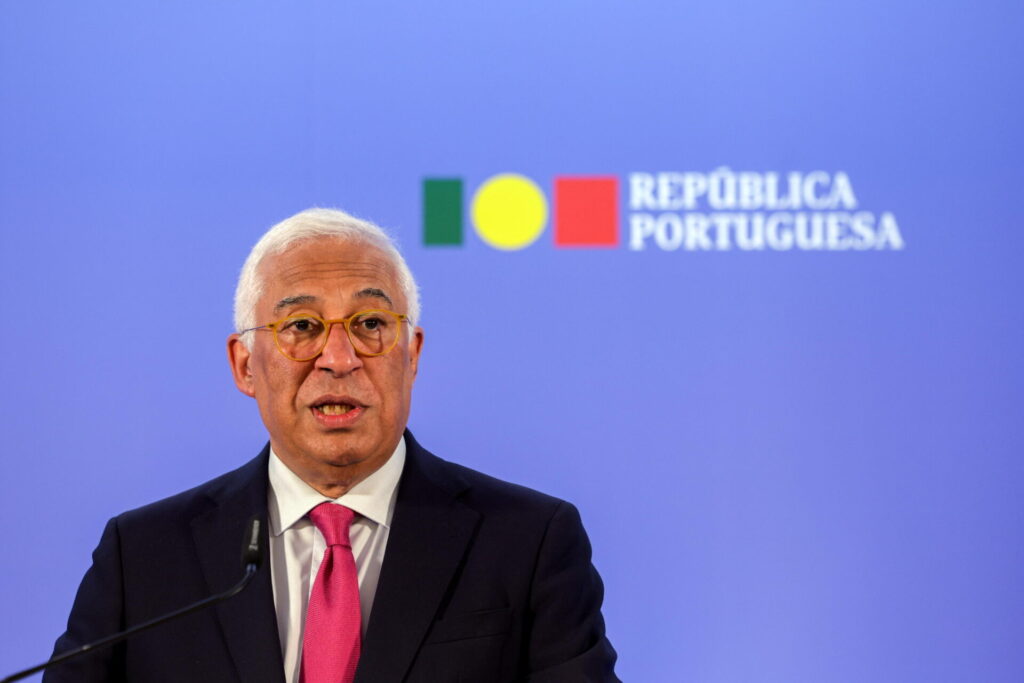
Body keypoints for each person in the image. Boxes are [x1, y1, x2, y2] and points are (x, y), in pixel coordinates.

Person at [45, 208, 619, 682]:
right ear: (245, 366)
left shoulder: (528, 542)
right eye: (301, 326)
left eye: (370, 324)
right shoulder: (144, 556)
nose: (339, 360)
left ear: (412, 355)